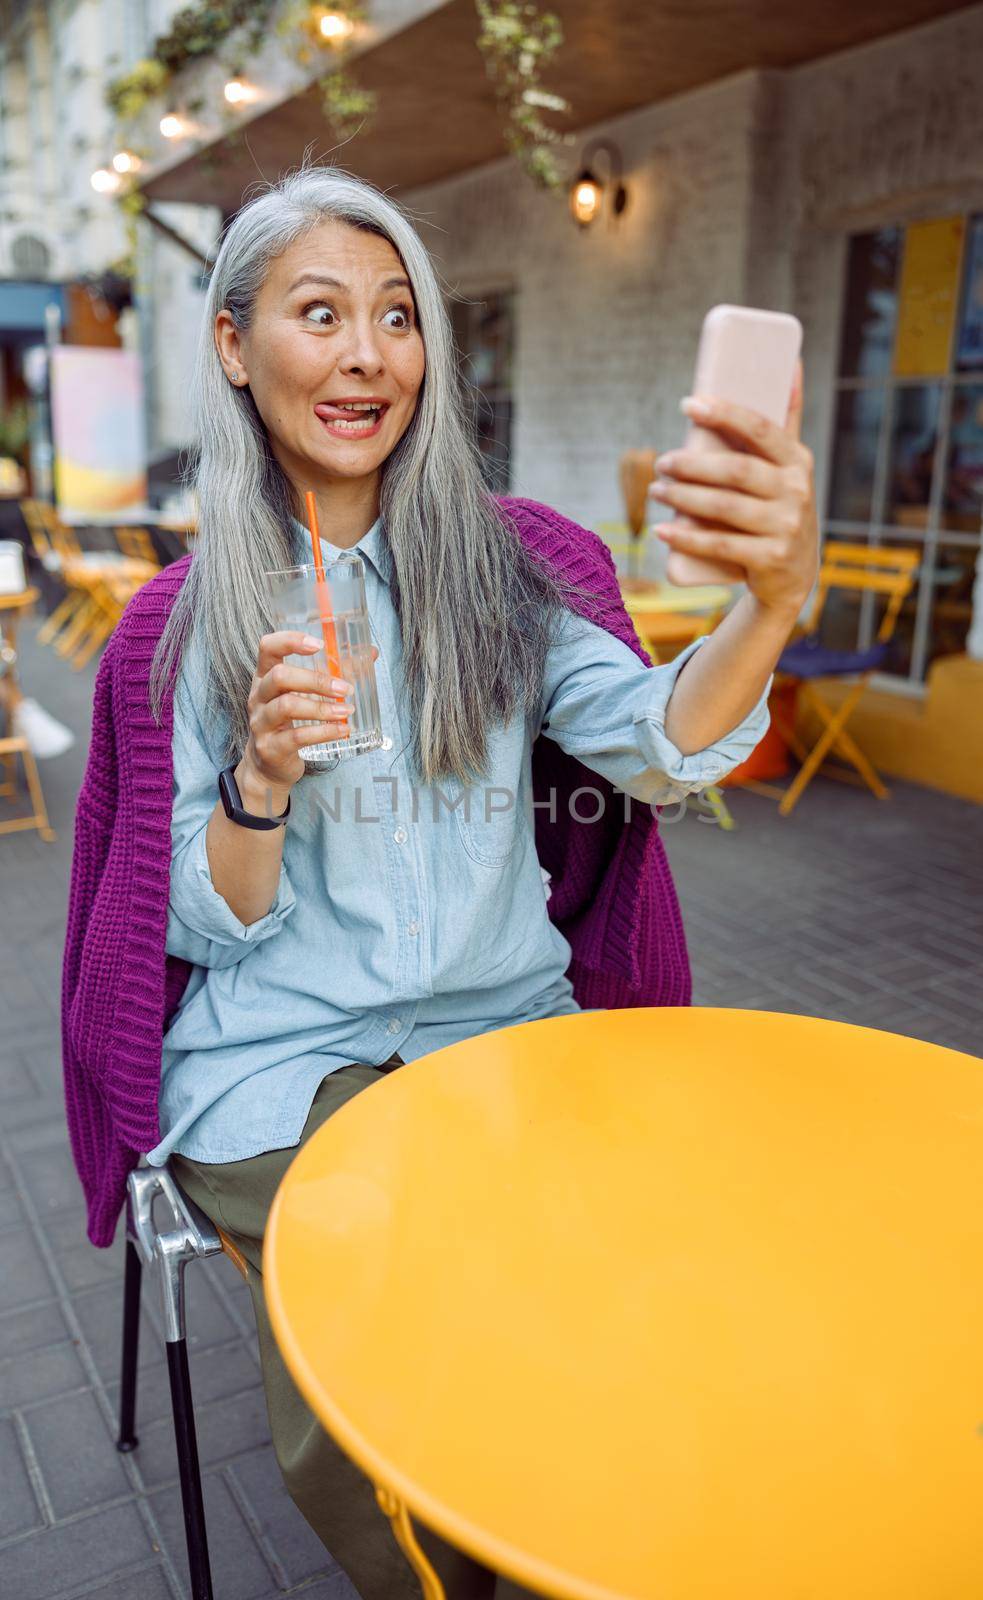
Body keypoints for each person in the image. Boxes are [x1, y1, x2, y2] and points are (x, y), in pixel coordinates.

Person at [63, 167, 818, 1598]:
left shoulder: (511, 567)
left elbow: (661, 749)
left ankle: (616, 1543)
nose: (367, 355)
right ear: (234, 344)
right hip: (282, 1065)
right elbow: (190, 925)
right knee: (374, 1362)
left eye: (398, 316)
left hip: (507, 1037)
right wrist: (260, 783)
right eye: (322, 313)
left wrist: (766, 604)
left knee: (623, 1304)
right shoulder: (178, 622)